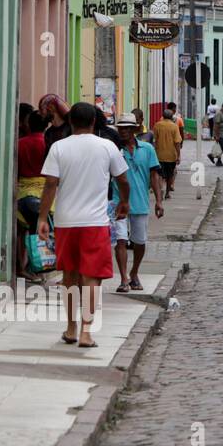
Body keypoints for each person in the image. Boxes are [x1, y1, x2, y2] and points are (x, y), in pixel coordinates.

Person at [36, 102, 131, 349]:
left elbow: (49, 185)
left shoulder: (58, 147)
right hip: (95, 222)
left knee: (69, 276)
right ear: (93, 122)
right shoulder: (107, 146)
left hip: (66, 221)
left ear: (70, 122)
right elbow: (123, 179)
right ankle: (87, 331)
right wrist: (125, 203)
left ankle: (71, 328)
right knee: (92, 277)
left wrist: (43, 218)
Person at [110, 117, 164, 294]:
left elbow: (154, 175)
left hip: (140, 202)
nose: (123, 131)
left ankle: (134, 272)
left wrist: (158, 200)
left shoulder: (147, 149)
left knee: (139, 242)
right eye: (121, 128)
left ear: (134, 129)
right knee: (121, 240)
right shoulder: (114, 150)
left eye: (127, 128)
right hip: (118, 203)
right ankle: (124, 278)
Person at [16, 111, 49, 281]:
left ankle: (21, 267)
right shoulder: (48, 143)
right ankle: (37, 267)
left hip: (21, 192)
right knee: (39, 231)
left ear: (28, 124)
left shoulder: (20, 143)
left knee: (21, 231)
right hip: (44, 193)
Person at [152, 108, 183, 198]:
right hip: (171, 155)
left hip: (159, 155)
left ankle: (161, 188)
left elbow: (154, 140)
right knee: (170, 175)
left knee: (160, 174)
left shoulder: (157, 125)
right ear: (171, 117)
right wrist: (178, 155)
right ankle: (167, 193)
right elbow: (177, 142)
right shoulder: (174, 126)